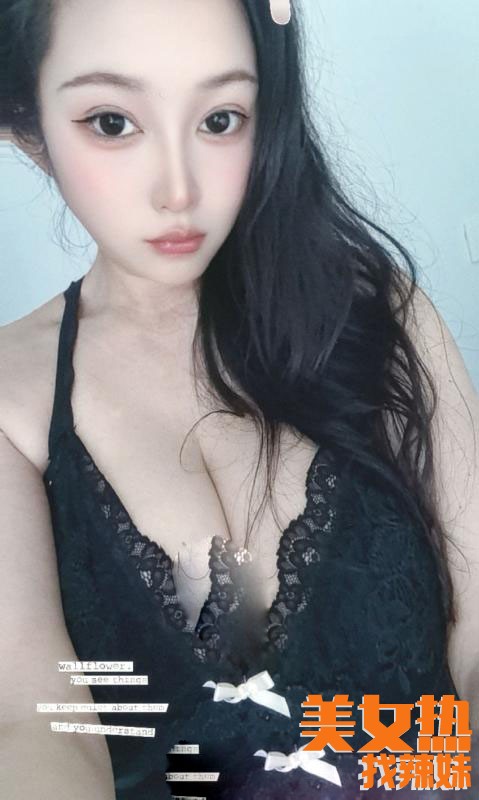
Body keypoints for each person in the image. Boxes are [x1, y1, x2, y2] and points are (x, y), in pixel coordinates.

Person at [0, 0, 478, 798]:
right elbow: (35, 723)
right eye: (112, 123)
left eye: (220, 119)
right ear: (29, 129)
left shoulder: (379, 314)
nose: (177, 190)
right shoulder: (12, 399)